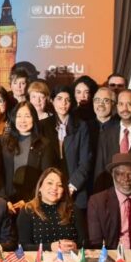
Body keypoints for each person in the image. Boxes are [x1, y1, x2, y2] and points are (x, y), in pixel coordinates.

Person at [0, 101, 58, 212]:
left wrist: (29, 200)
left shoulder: (44, 144)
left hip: (33, 203)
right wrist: (4, 199)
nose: (23, 120)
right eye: (19, 116)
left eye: (27, 116)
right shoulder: (4, 142)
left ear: (34, 118)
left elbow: (45, 177)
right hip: (6, 202)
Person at [51, 86, 92, 227]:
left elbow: (86, 161)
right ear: (52, 101)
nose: (63, 103)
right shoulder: (45, 125)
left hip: (76, 191)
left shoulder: (81, 126)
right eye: (59, 99)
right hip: (51, 191)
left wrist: (72, 186)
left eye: (67, 100)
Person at [16, 168, 80, 251]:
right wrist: (50, 247)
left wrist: (75, 246)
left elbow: (85, 242)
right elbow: (23, 247)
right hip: (39, 259)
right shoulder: (27, 211)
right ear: (40, 187)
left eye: (60, 185)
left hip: (69, 258)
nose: (54, 188)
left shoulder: (73, 210)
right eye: (50, 183)